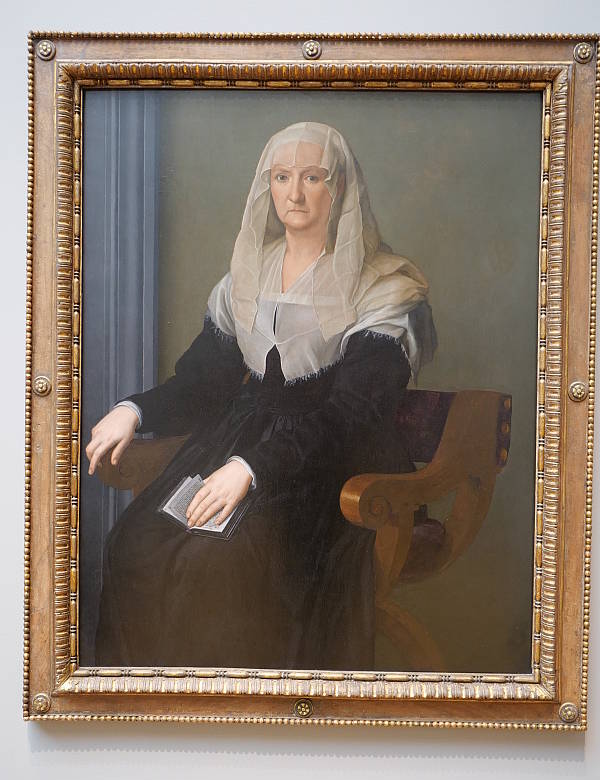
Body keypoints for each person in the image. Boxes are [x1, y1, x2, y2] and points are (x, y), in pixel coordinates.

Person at [87, 121, 437, 669]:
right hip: (238, 447)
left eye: (312, 177)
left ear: (340, 188)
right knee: (135, 544)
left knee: (223, 563)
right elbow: (204, 383)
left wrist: (252, 468)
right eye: (281, 177)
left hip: (331, 466)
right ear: (266, 185)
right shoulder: (247, 275)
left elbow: (351, 415)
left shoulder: (383, 286)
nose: (294, 194)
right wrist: (134, 409)